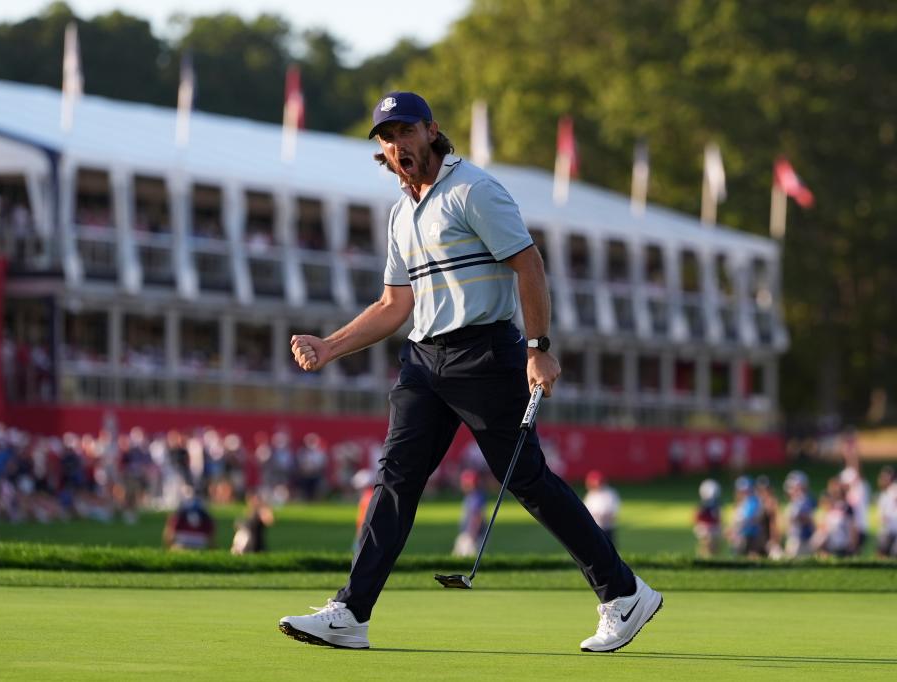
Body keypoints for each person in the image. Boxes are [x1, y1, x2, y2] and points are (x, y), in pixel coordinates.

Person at [279, 91, 661, 653]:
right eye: (386, 139)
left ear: (431, 131)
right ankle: (350, 612)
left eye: (405, 132)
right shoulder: (400, 213)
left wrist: (538, 347)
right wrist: (330, 346)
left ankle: (623, 593)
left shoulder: (473, 190)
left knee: (527, 480)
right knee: (394, 479)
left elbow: (527, 263)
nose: (397, 145)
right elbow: (393, 304)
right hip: (423, 362)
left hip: (484, 355)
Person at [163, 486, 215, 550]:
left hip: (183, 537)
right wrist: (211, 546)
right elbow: (211, 524)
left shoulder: (182, 506)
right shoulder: (201, 506)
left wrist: (169, 545)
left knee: (176, 548)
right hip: (200, 539)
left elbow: (171, 525)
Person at [452, 469, 487, 557]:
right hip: (468, 533)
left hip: (472, 535)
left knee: (467, 558)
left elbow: (477, 516)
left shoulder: (475, 497)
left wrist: (472, 535)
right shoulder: (471, 496)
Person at [782, 470, 816, 558]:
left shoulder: (805, 500)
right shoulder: (796, 501)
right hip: (794, 536)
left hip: (801, 538)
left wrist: (797, 518)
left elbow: (807, 518)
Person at [582, 470, 620, 548]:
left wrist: (605, 516)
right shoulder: (590, 495)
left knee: (609, 548)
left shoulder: (610, 493)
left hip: (607, 527)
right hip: (594, 528)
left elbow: (613, 510)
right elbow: (586, 510)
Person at [693, 478, 722, 557]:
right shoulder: (703, 504)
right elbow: (696, 517)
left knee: (715, 546)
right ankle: (703, 557)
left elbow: (718, 516)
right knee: (707, 544)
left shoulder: (717, 504)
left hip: (713, 526)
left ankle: (711, 558)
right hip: (705, 527)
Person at [876, 466, 897, 558]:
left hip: (892, 528)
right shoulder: (885, 493)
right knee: (883, 553)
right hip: (887, 529)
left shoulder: (894, 489)